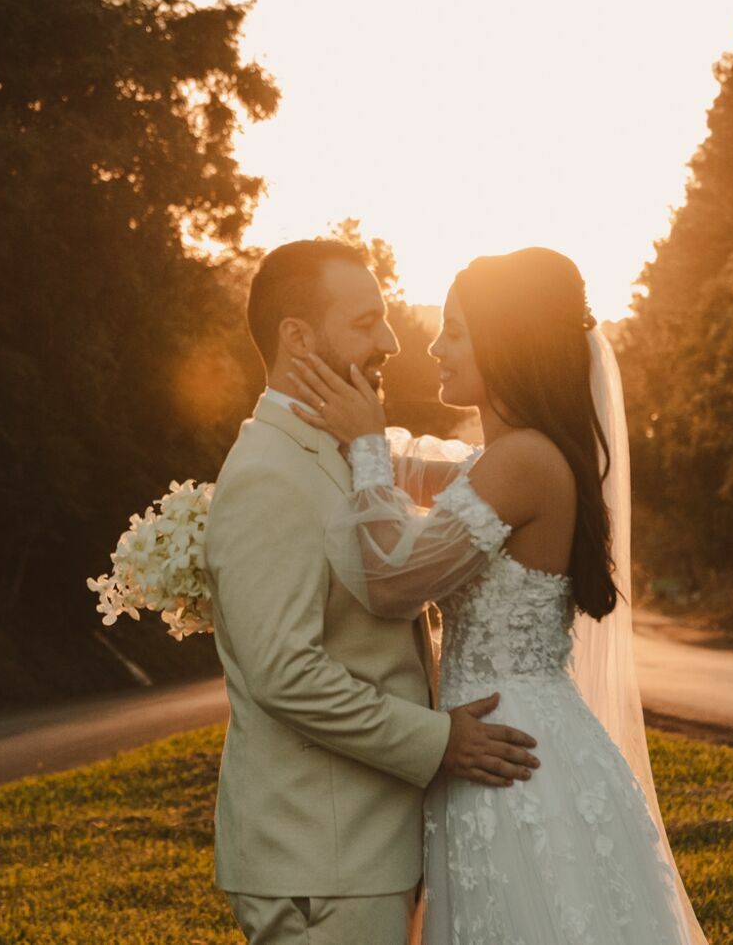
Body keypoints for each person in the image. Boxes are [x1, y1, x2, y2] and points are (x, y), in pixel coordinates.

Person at [288, 246, 707, 944]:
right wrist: (333, 431)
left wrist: (364, 445)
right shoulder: (505, 460)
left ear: (506, 341)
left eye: (455, 330)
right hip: (499, 737)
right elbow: (421, 470)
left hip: (511, 756)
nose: (434, 346)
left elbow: (393, 583)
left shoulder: (524, 463)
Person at [202, 238, 541, 945]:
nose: (391, 341)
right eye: (366, 323)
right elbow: (284, 674)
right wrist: (439, 741)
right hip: (320, 860)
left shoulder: (338, 446)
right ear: (298, 338)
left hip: (361, 850)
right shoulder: (270, 473)